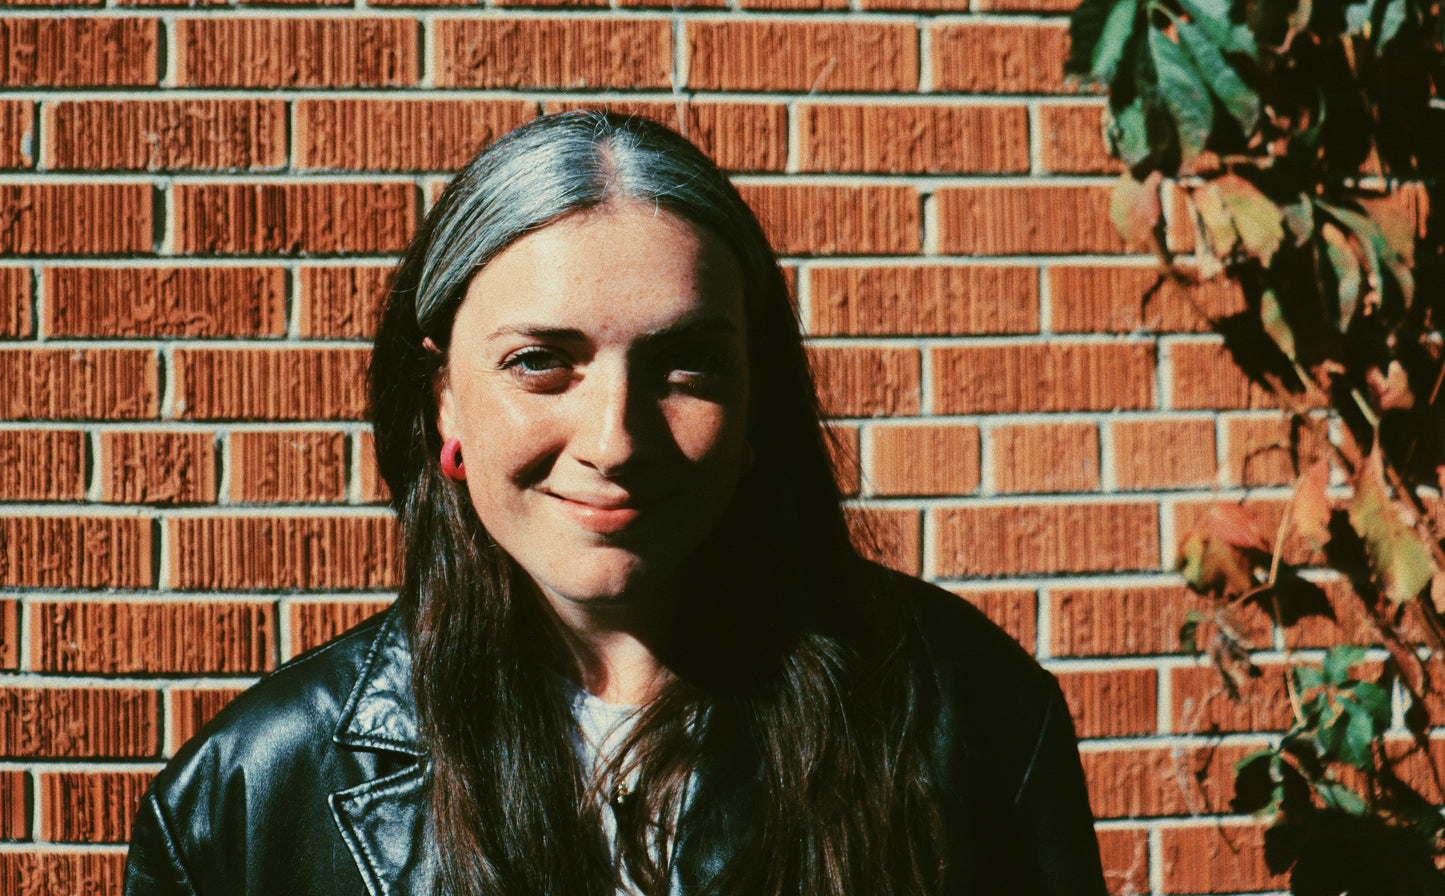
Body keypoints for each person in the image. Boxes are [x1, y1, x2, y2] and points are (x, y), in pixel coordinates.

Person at [124, 110, 1108, 896]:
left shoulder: (969, 715)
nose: (615, 440)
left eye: (687, 364)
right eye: (540, 363)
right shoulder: (245, 796)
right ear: (442, 401)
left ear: (754, 395)